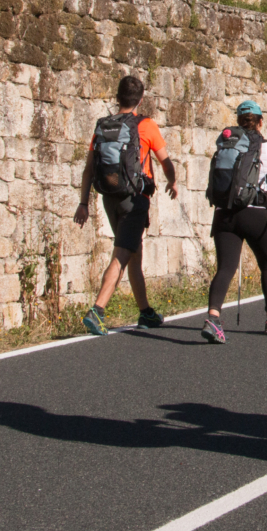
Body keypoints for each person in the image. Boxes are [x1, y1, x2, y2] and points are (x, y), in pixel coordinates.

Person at [75, 75, 179, 336]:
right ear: (140, 99)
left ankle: (145, 313)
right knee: (122, 252)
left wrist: (83, 203)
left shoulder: (103, 126)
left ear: (117, 97)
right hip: (135, 199)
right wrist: (172, 181)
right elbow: (165, 161)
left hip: (109, 197)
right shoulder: (145, 125)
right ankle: (97, 311)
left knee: (134, 251)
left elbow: (89, 169)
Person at [202, 100, 267, 343]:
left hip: (224, 213)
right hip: (255, 215)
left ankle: (213, 319)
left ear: (239, 122)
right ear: (260, 122)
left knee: (226, 268)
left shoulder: (226, 146)